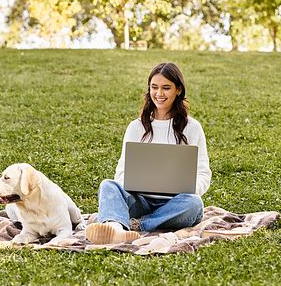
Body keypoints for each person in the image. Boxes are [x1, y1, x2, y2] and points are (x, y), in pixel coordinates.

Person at [85, 62, 212, 245]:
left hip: (175, 205)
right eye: (154, 87)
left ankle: (131, 224)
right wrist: (129, 185)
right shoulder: (136, 127)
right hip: (140, 202)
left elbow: (203, 174)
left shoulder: (192, 128)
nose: (159, 94)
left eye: (166, 88)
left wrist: (191, 188)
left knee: (194, 204)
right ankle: (116, 227)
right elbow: (121, 172)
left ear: (178, 90)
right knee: (108, 185)